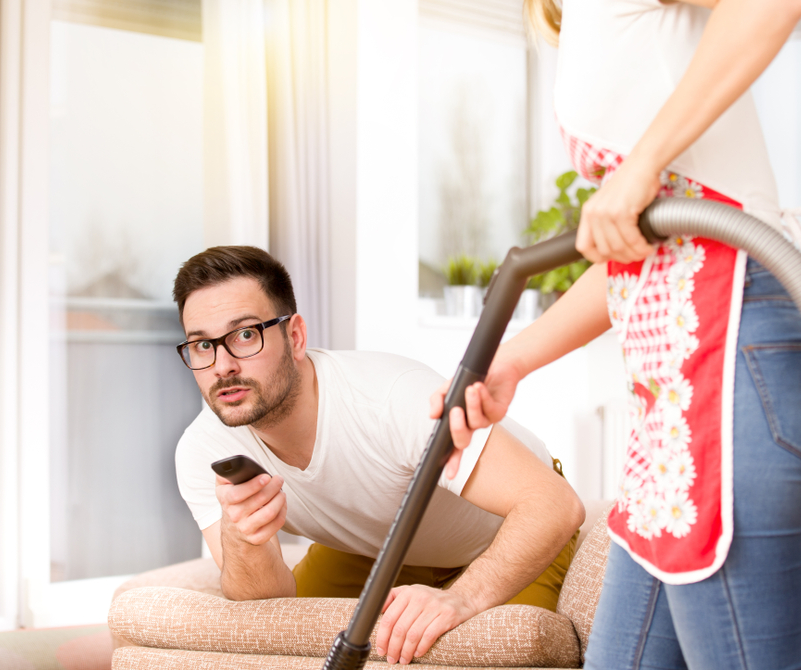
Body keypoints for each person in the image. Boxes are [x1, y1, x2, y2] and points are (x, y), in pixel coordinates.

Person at [432, 0, 801, 668]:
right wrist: (514, 360)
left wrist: (643, 164)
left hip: (730, 355)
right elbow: (636, 256)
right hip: (669, 402)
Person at [171, 245, 585, 666]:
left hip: (501, 534)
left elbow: (553, 504)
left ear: (294, 337)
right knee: (287, 648)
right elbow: (262, 605)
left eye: (244, 335)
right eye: (202, 345)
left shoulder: (391, 398)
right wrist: (245, 540)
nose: (221, 365)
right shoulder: (203, 449)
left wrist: (461, 598)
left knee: (489, 651)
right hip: (378, 544)